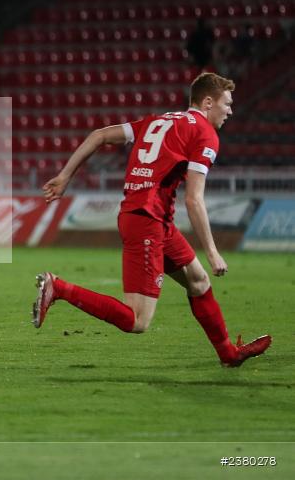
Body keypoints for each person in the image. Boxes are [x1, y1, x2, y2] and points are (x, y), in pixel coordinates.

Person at [33, 72, 271, 367]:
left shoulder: (158, 120)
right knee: (138, 320)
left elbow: (99, 136)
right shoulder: (205, 134)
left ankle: (228, 354)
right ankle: (60, 288)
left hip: (154, 219)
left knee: (198, 282)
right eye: (227, 103)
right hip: (146, 220)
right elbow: (194, 199)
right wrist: (212, 250)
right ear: (208, 102)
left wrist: (64, 176)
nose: (230, 110)